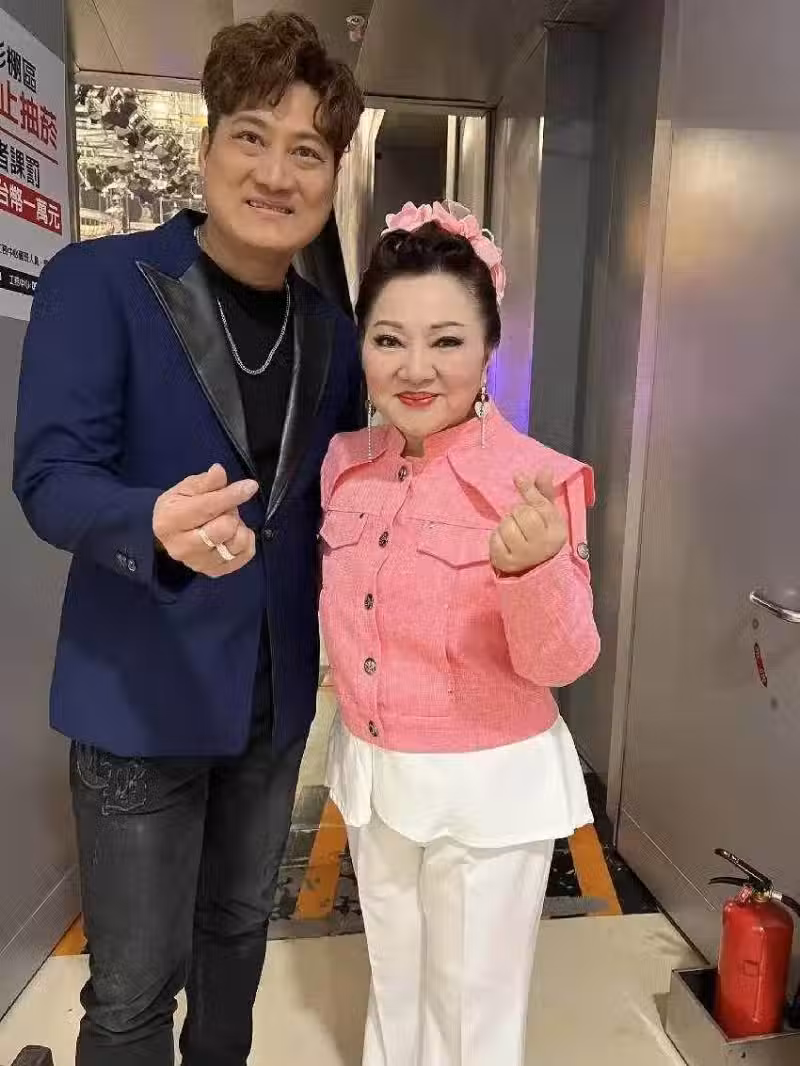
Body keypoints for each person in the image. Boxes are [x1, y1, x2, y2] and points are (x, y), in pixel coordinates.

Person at [13, 14, 363, 1066]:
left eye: (307, 151)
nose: (276, 173)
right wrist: (148, 524)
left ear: (332, 176)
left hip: (272, 704)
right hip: (139, 693)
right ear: (207, 148)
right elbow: (51, 479)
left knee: (236, 942)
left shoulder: (333, 334)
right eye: (252, 137)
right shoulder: (99, 283)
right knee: (131, 990)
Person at [319, 200, 601, 1066]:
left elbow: (565, 660)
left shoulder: (538, 480)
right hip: (375, 776)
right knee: (394, 985)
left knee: (471, 1014)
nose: (415, 369)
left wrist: (534, 572)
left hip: (487, 789)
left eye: (446, 341)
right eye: (388, 339)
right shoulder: (344, 465)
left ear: (487, 350)